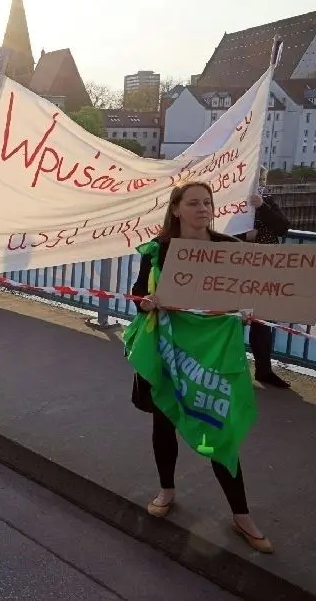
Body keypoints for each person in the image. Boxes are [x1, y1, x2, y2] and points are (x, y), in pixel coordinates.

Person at [130, 181, 271, 554]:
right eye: (193, 203)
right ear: (176, 209)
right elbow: (137, 295)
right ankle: (167, 490)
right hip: (169, 353)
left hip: (210, 359)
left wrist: (243, 312)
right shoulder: (158, 251)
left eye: (207, 203)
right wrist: (146, 302)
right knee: (165, 423)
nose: (202, 209)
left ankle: (241, 515)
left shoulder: (228, 249)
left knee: (218, 430)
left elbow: (248, 297)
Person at [239, 176, 292, 389]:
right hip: (236, 271)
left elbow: (282, 228)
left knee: (263, 322)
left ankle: (264, 370)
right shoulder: (229, 202)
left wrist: (261, 206)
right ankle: (230, 368)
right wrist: (245, 236)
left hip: (266, 271)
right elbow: (216, 233)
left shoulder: (267, 201)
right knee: (232, 320)